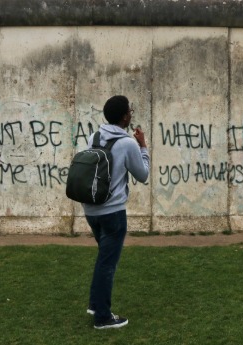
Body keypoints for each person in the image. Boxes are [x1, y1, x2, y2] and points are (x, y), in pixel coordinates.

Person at [84, 95, 150, 329]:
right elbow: (142, 175)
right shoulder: (127, 144)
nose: (131, 113)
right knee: (108, 264)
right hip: (112, 212)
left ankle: (95, 303)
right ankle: (102, 317)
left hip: (90, 209)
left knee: (104, 259)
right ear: (124, 116)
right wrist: (143, 146)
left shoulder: (94, 137)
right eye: (130, 110)